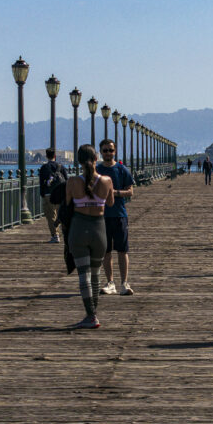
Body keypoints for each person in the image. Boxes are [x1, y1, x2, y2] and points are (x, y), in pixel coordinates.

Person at [65, 144, 115, 328]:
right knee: (96, 274)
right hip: (99, 229)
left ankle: (91, 315)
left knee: (83, 275)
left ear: (79, 161)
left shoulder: (72, 182)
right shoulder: (107, 181)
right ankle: (94, 314)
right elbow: (110, 203)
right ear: (96, 159)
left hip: (79, 228)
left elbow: (68, 202)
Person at [96, 138, 135, 296]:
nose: (108, 153)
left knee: (122, 250)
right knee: (105, 251)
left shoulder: (122, 169)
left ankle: (124, 282)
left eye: (110, 150)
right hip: (101, 216)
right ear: (101, 152)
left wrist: (115, 193)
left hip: (119, 214)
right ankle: (110, 282)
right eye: (105, 150)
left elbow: (130, 191)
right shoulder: (97, 170)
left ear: (115, 151)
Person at [38, 147, 67, 243]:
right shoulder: (61, 167)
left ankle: (55, 235)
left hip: (48, 194)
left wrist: (42, 193)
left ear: (46, 156)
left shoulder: (44, 168)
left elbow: (41, 182)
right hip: (61, 194)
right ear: (55, 156)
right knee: (61, 214)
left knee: (51, 216)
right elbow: (66, 180)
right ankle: (65, 233)